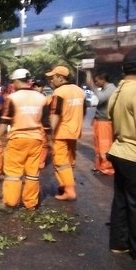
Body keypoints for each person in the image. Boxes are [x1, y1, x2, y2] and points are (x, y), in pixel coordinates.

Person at [0, 69, 48, 213]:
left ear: (16, 81)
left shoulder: (13, 98)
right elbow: (47, 123)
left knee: (13, 173)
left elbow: (4, 120)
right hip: (36, 139)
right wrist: (51, 141)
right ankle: (31, 204)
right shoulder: (41, 98)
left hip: (17, 139)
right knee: (32, 173)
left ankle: (10, 203)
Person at [107, 48, 136, 256]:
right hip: (133, 153)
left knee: (121, 200)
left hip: (119, 150)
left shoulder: (119, 90)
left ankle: (119, 243)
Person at [46, 66, 86, 201]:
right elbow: (84, 111)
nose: (51, 80)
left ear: (61, 77)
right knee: (70, 161)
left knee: (61, 162)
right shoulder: (79, 91)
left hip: (61, 132)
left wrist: (50, 133)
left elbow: (55, 113)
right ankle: (64, 186)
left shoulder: (59, 92)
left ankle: (69, 191)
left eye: (53, 77)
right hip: (74, 132)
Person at [85, 70, 116, 176]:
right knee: (98, 146)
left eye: (96, 81)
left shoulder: (111, 89)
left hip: (105, 122)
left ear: (103, 80)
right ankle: (100, 166)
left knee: (104, 145)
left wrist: (92, 86)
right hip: (99, 121)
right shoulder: (104, 89)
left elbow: (101, 98)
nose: (96, 83)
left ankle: (107, 167)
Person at [32, 79, 52, 170]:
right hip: (32, 125)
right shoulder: (29, 98)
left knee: (44, 144)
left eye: (38, 86)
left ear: (42, 88)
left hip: (43, 125)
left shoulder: (47, 99)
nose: (36, 88)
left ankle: (40, 162)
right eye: (35, 86)